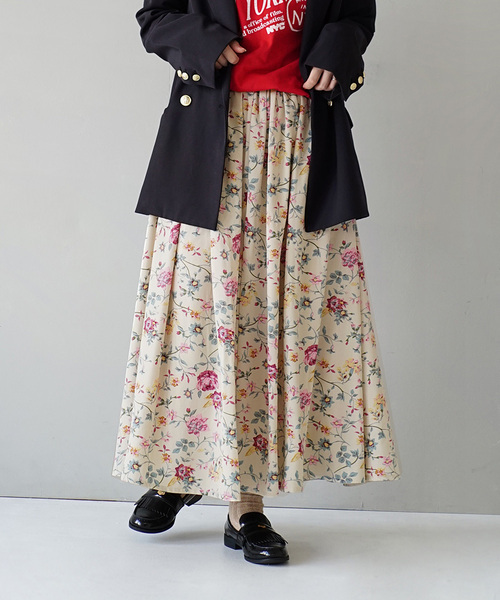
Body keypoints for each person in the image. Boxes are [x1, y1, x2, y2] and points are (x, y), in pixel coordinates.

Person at [112, 0, 401, 566]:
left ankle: (245, 505)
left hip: (302, 141)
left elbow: (356, 17)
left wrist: (337, 49)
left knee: (278, 322)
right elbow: (156, 16)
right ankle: (180, 472)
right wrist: (205, 41)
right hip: (210, 140)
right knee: (197, 315)